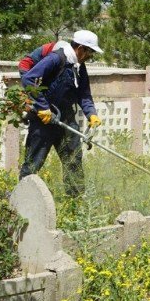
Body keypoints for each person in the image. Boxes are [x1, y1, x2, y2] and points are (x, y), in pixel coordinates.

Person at [19, 30, 103, 196]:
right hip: (44, 120)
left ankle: (76, 201)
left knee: (73, 161)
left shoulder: (80, 67)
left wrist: (91, 114)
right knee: (33, 162)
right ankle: (22, 201)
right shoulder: (57, 58)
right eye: (90, 52)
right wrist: (42, 107)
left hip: (66, 119)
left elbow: (84, 94)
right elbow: (29, 79)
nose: (91, 56)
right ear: (80, 48)